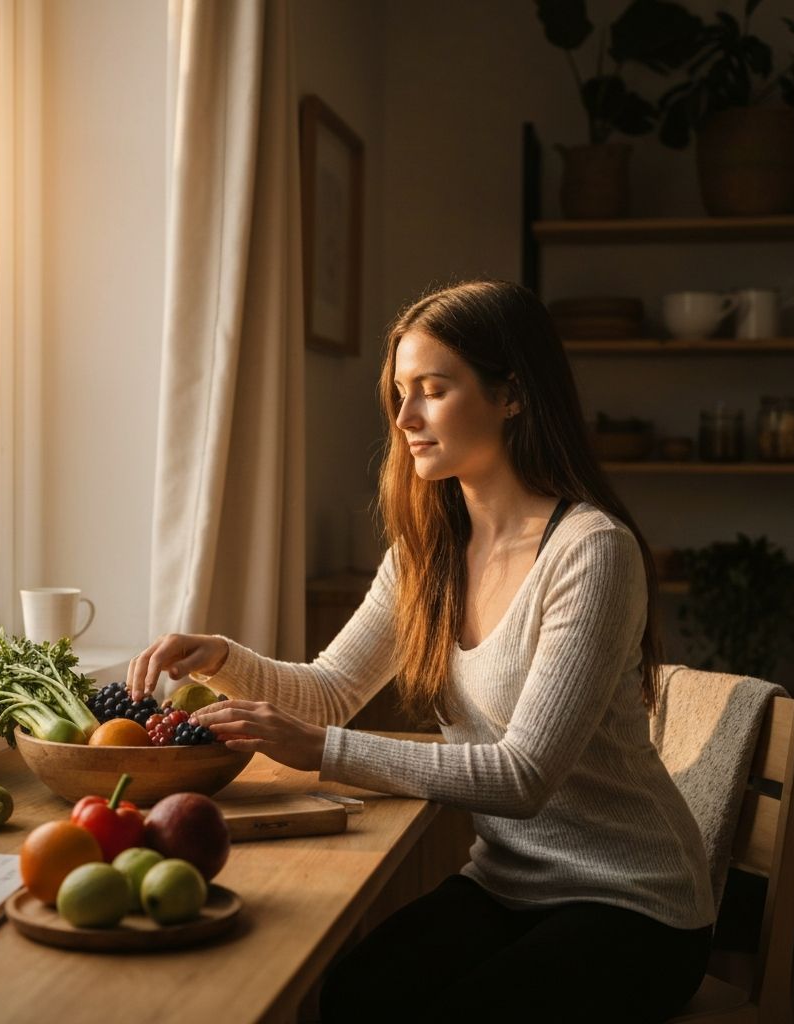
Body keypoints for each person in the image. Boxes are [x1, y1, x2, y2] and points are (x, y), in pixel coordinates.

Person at [127, 280, 715, 1023]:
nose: (404, 418)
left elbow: (523, 775)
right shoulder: (425, 554)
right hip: (507, 885)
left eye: (434, 390)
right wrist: (219, 657)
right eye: (401, 393)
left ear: (511, 394)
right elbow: (328, 689)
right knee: (351, 996)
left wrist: (324, 751)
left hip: (635, 905)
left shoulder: (592, 553)